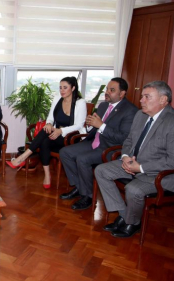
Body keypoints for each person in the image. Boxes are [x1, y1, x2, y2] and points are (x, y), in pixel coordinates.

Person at [95, 81, 174, 238]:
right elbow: (128, 141)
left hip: (164, 173)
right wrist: (126, 156)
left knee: (133, 189)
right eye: (142, 97)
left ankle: (133, 223)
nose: (141, 101)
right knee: (101, 170)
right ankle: (124, 214)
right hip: (134, 163)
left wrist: (140, 167)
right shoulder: (140, 115)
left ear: (163, 100)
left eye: (147, 97)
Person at [58, 78, 138, 210]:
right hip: (94, 141)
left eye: (112, 90)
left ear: (122, 94)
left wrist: (101, 125)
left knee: (82, 159)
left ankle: (88, 196)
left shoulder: (130, 111)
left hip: (110, 148)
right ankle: (79, 187)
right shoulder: (103, 105)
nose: (107, 92)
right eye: (107, 89)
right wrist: (90, 125)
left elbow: (123, 139)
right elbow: (94, 127)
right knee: (65, 152)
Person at [7, 77, 86, 189]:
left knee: (45, 137)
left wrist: (61, 131)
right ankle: (46, 175)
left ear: (73, 88)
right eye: (60, 88)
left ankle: (22, 158)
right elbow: (50, 118)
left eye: (65, 88)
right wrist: (49, 124)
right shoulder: (57, 99)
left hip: (72, 136)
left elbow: (79, 125)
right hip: (57, 133)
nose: (62, 90)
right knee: (45, 137)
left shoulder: (80, 102)